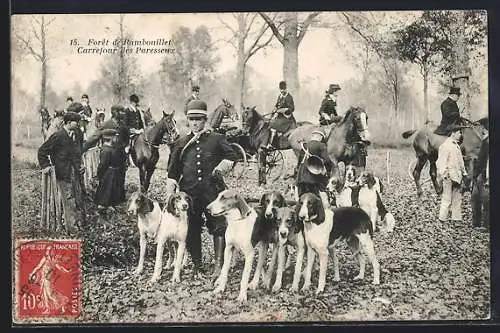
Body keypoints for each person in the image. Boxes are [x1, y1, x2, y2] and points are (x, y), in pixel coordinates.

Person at [167, 99, 240, 278]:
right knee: (192, 227)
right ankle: (198, 266)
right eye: (192, 119)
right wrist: (170, 191)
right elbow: (172, 171)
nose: (195, 123)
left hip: (212, 192)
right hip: (189, 194)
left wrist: (221, 168)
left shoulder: (216, 139)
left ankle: (218, 266)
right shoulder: (181, 142)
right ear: (187, 121)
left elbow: (232, 155)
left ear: (205, 119)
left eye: (199, 119)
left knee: (219, 226)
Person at [38, 111, 86, 232]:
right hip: (63, 173)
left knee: (77, 197)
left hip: (74, 172)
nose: (79, 124)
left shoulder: (74, 135)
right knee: (69, 199)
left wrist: (80, 166)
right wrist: (46, 166)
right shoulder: (58, 136)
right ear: (69, 122)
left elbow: (76, 154)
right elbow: (42, 151)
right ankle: (72, 229)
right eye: (77, 122)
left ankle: (79, 224)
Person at [296, 130, 337, 207]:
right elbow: (327, 160)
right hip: (314, 174)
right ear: (320, 137)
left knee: (302, 195)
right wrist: (329, 170)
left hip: (302, 175)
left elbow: (299, 161)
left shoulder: (305, 145)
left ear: (313, 136)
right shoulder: (321, 145)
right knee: (320, 193)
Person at [436, 124, 468, 223]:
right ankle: (442, 219)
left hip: (457, 176)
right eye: (459, 133)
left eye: (460, 132)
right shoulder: (446, 146)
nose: (460, 135)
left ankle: (456, 218)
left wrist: (464, 173)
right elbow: (441, 162)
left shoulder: (456, 146)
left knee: (457, 198)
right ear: (453, 133)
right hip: (449, 177)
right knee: (447, 198)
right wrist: (444, 175)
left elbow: (460, 162)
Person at [29, 246, 71, 314]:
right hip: (44, 279)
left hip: (49, 280)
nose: (49, 252)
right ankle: (48, 309)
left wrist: (67, 271)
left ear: (53, 251)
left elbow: (60, 267)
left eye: (50, 250)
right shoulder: (45, 259)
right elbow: (38, 267)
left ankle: (62, 304)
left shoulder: (54, 260)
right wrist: (32, 273)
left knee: (50, 295)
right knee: (45, 295)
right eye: (48, 250)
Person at [94, 128, 127, 214]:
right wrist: (100, 174)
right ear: (110, 138)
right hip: (108, 173)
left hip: (113, 172)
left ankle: (109, 204)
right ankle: (102, 206)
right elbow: (103, 165)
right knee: (106, 189)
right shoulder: (106, 150)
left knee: (111, 189)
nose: (116, 139)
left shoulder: (112, 148)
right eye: (115, 137)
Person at [265, 80, 296, 149]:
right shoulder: (280, 96)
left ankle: (271, 144)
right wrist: (274, 110)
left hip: (287, 119)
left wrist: (283, 110)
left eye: (283, 89)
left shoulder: (289, 97)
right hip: (280, 117)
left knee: (273, 126)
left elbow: (292, 109)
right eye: (281, 89)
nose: (282, 91)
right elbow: (277, 105)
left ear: (286, 88)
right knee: (269, 122)